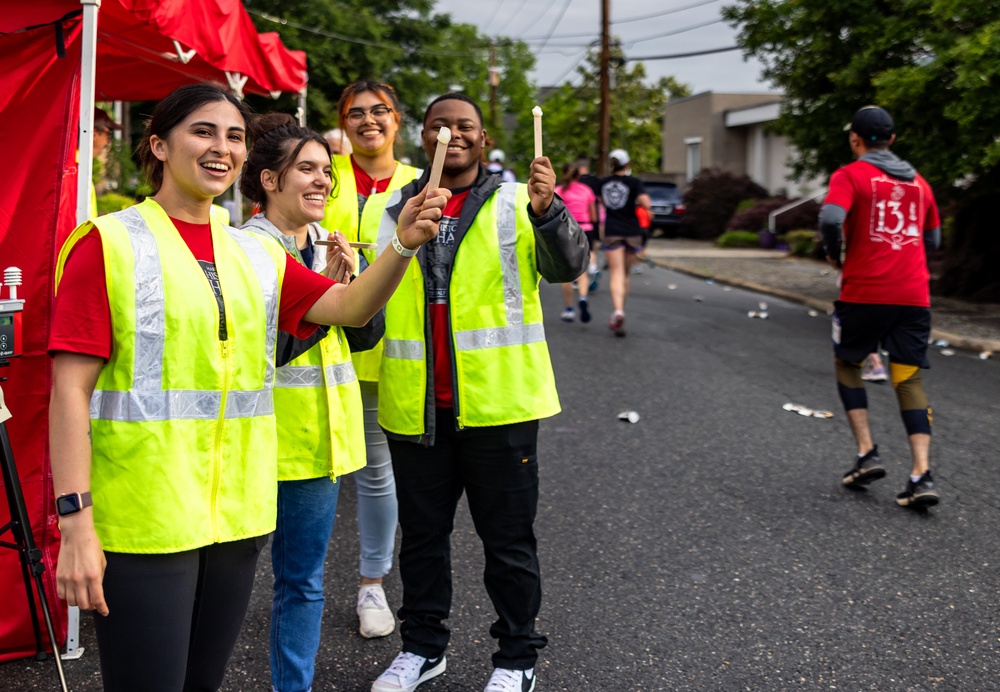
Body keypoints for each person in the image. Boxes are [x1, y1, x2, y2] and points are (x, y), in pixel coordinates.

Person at [48, 83, 448, 691]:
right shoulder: (108, 242)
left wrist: (402, 245)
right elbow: (68, 390)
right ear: (158, 144)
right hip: (145, 521)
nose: (222, 147)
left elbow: (349, 305)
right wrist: (75, 526)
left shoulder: (253, 255)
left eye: (234, 135)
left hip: (234, 520)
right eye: (202, 131)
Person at [361, 93, 587, 692]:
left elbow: (568, 268)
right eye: (440, 126)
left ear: (483, 140)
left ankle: (516, 659)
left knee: (508, 542)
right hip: (415, 404)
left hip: (500, 406)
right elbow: (368, 308)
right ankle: (422, 649)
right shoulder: (388, 210)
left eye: (465, 127)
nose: (452, 135)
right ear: (423, 137)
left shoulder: (520, 202)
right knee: (424, 539)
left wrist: (549, 210)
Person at [239, 112, 366, 692]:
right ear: (268, 180)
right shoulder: (244, 249)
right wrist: (327, 298)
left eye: (325, 171)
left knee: (304, 582)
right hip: (253, 443)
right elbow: (263, 349)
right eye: (306, 169)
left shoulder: (328, 245)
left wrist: (354, 284)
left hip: (320, 446)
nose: (322, 181)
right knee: (225, 583)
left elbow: (364, 336)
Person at [323, 79, 422, 639]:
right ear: (342, 122)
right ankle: (299, 585)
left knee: (377, 475)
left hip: (391, 349)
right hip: (318, 346)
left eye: (379, 111)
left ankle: (371, 585)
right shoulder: (321, 173)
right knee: (311, 473)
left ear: (397, 120)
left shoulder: (420, 182)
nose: (367, 121)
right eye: (355, 113)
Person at [819, 105, 942, 508]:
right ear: (893, 139)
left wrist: (835, 254)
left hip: (865, 292)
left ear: (855, 138)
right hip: (913, 296)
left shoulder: (850, 175)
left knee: (847, 362)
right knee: (907, 379)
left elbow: (831, 216)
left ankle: (866, 452)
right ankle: (921, 475)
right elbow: (933, 240)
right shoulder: (921, 184)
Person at [599, 148, 651, 337]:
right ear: (627, 164)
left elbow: (599, 203)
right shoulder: (634, 182)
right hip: (632, 232)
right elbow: (647, 203)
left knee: (616, 273)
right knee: (626, 275)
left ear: (611, 165)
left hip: (612, 231)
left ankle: (618, 310)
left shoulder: (603, 183)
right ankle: (622, 309)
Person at [555, 162, 598, 323]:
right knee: (582, 271)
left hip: (566, 230)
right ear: (578, 176)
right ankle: (583, 298)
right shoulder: (587, 191)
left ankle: (569, 309)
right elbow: (594, 216)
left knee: (566, 273)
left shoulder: (558, 191)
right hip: (585, 230)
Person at [575, 154, 604, 290]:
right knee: (592, 247)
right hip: (591, 219)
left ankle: (579, 276)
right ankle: (592, 268)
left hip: (575, 220)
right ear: (587, 166)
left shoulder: (574, 181)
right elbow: (599, 199)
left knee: (576, 249)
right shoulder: (595, 181)